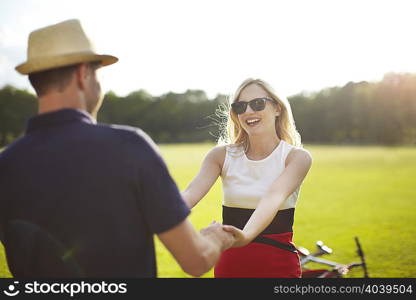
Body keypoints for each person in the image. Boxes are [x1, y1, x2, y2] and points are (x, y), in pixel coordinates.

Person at [0, 19, 234, 278]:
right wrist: (215, 238)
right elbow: (197, 261)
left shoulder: (6, 164)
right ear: (83, 74)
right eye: (98, 72)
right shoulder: (129, 146)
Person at [181, 78, 312, 277]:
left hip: (278, 264)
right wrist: (149, 215)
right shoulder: (220, 155)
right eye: (240, 107)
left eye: (258, 104)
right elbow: (189, 195)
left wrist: (246, 236)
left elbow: (273, 197)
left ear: (277, 108)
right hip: (231, 264)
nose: (248, 112)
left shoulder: (297, 157)